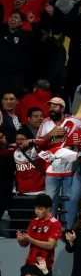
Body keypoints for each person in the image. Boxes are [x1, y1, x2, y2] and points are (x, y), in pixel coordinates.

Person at [34, 97, 81, 224]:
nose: (51, 109)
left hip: (70, 170)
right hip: (52, 170)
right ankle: (51, 230)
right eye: (50, 106)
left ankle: (67, 230)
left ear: (62, 108)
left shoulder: (74, 121)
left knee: (69, 202)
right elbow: (38, 143)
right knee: (51, 203)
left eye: (55, 106)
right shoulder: (46, 123)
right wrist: (51, 134)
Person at [8, 127, 47, 232]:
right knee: (18, 225)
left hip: (39, 193)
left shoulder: (37, 151)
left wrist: (32, 141)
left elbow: (44, 142)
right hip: (21, 195)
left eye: (22, 139)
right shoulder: (14, 150)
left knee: (40, 226)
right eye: (17, 139)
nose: (19, 142)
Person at [16, 194, 62, 275]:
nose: (37, 211)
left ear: (48, 209)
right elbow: (24, 244)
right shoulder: (34, 222)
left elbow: (50, 245)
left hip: (44, 265)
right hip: (30, 262)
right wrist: (21, 240)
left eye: (40, 209)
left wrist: (30, 239)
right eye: (36, 208)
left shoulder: (55, 223)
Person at [0, 91, 22, 219]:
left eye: (12, 99)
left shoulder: (18, 117)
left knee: (12, 191)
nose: (9, 101)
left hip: (17, 159)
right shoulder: (0, 114)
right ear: (2, 101)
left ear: (17, 101)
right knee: (3, 191)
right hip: (4, 158)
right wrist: (3, 140)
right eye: (6, 99)